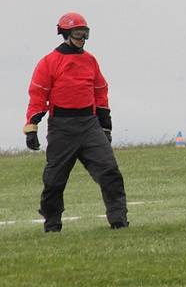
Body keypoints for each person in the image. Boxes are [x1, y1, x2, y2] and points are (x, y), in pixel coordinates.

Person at [23, 12, 128, 232]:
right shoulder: (49, 62)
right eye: (77, 33)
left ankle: (119, 221)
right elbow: (38, 95)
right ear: (65, 34)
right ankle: (52, 224)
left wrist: (105, 126)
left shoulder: (90, 60)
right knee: (54, 180)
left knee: (110, 172)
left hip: (89, 125)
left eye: (85, 33)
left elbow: (100, 92)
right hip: (62, 127)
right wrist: (31, 128)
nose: (82, 37)